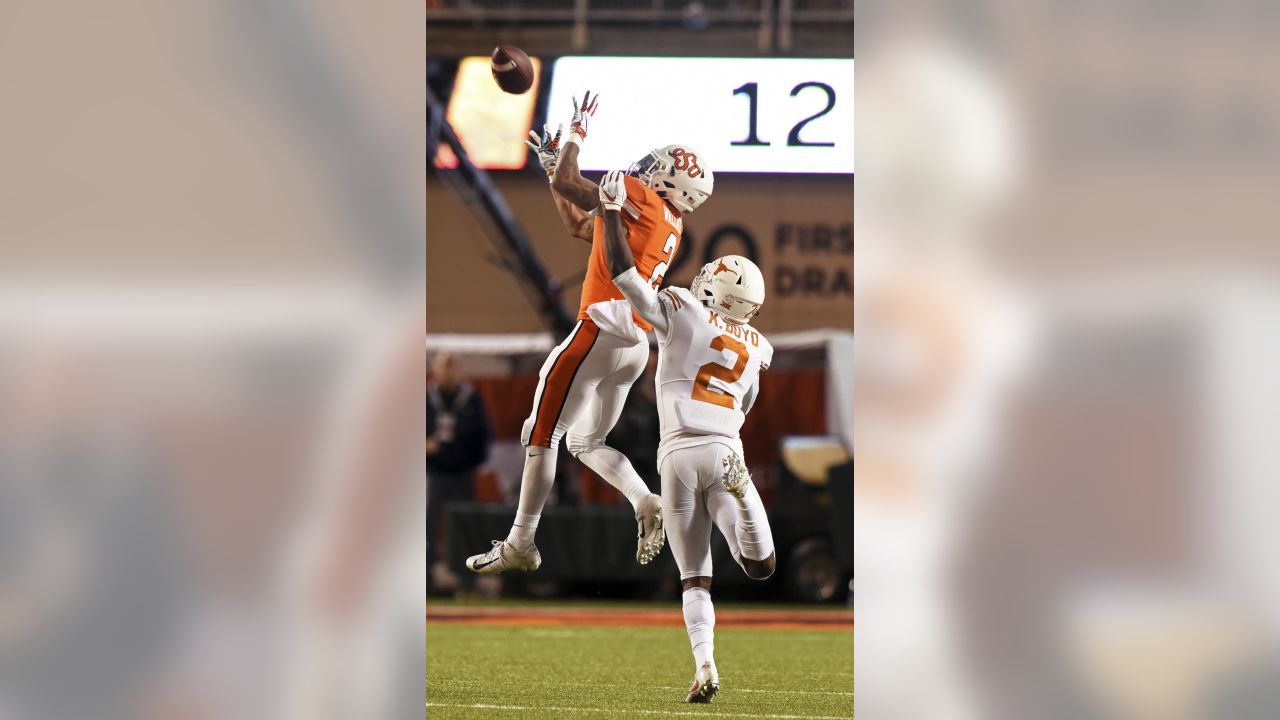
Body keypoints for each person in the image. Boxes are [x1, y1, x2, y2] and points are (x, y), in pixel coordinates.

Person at [465, 90, 715, 575]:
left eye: (657, 165)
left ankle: (521, 542)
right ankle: (645, 500)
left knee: (541, 435)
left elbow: (571, 181)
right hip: (633, 345)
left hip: (600, 328)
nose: (645, 168)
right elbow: (580, 225)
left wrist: (575, 135)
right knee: (584, 443)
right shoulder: (667, 224)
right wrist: (551, 169)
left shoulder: (641, 197)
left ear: (671, 180)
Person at [597, 169, 776, 704]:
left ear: (713, 287)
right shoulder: (760, 346)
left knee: (695, 579)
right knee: (759, 566)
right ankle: (743, 496)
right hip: (724, 449)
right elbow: (745, 406)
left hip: (675, 453)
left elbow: (626, 277)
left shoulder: (684, 308)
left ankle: (705, 665)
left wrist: (609, 213)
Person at [426, 352, 491, 588]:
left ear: (460, 372)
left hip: (462, 472)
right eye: (444, 366)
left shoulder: (471, 397)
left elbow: (482, 433)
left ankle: (468, 578)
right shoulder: (426, 396)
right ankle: (425, 579)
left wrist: (473, 458)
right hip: (433, 472)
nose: (448, 371)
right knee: (426, 526)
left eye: (452, 367)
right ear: (435, 370)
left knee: (465, 524)